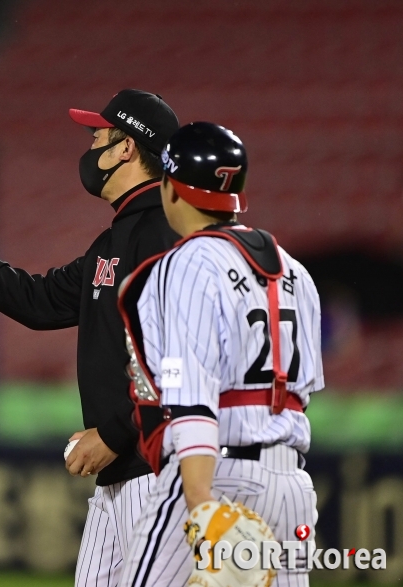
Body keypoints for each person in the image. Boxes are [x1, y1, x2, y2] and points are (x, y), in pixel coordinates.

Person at [0, 89, 181, 585]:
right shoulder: (117, 238)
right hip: (121, 478)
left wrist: (116, 432)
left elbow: (181, 359)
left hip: (161, 475)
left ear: (126, 147)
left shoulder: (165, 235)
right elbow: (37, 302)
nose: (92, 144)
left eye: (98, 134)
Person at [117, 122, 323, 586]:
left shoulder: (184, 264)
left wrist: (202, 510)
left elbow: (192, 403)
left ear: (170, 188)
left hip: (217, 477)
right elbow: (301, 393)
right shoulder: (297, 273)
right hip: (290, 487)